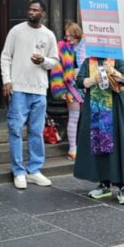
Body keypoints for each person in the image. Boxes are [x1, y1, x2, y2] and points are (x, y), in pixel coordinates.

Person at [0, 0, 58, 189]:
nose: (31, 12)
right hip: (18, 88)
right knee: (15, 129)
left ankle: (34, 169)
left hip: (39, 89)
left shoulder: (48, 35)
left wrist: (43, 60)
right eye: (30, 9)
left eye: (35, 10)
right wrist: (7, 80)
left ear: (43, 13)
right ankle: (18, 171)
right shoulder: (17, 31)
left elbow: (54, 61)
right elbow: (6, 56)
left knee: (36, 131)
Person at [74, 56, 124, 204]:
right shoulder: (89, 61)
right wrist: (93, 79)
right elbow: (79, 81)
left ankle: (123, 187)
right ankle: (104, 183)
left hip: (116, 107)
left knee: (118, 143)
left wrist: (113, 71)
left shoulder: (117, 60)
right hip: (96, 107)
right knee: (98, 143)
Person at [51, 21, 87, 161]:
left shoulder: (87, 45)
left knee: (87, 118)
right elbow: (56, 70)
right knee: (74, 117)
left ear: (77, 34)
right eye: (66, 36)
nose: (68, 39)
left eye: (70, 35)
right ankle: (72, 149)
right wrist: (61, 90)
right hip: (71, 86)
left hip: (88, 84)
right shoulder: (62, 46)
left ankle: (85, 147)